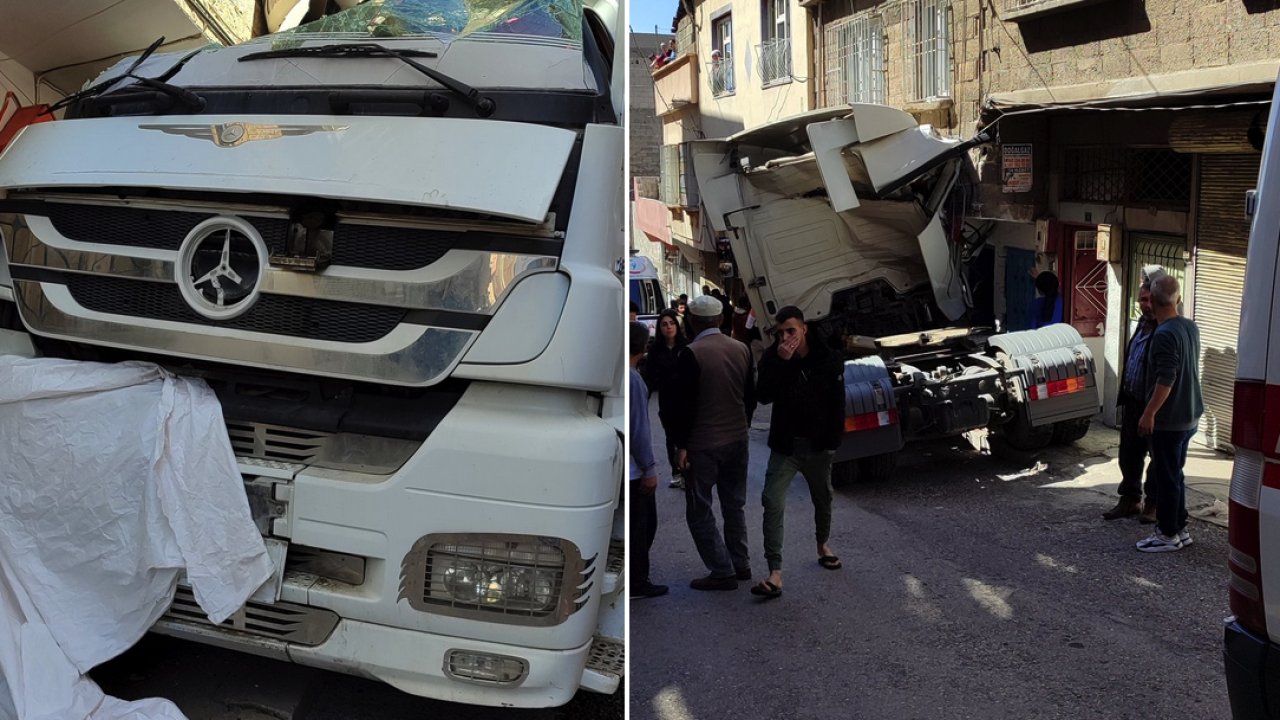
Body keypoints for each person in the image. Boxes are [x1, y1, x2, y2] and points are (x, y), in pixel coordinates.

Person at [750, 306, 845, 600]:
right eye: (780, 333)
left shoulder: (826, 355)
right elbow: (763, 395)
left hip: (818, 445)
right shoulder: (773, 356)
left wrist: (832, 441)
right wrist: (782, 362)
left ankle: (822, 544)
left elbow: (837, 401)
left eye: (791, 330)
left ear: (803, 328)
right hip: (787, 445)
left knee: (823, 497)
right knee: (771, 499)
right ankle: (775, 573)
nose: (786, 337)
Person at [667, 295, 755, 590]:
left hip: (703, 443)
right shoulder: (741, 349)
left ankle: (721, 569)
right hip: (737, 439)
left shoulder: (690, 354)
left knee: (699, 509)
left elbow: (683, 406)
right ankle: (741, 563)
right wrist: (744, 425)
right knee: (734, 505)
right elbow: (750, 396)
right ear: (719, 320)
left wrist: (681, 445)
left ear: (691, 321)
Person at [1135, 274, 1204, 553]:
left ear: (1151, 300)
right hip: (1189, 415)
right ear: (1177, 299)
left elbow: (1167, 378)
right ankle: (1179, 527)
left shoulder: (1163, 335)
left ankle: (1167, 533)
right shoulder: (1190, 326)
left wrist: (1148, 413)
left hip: (1170, 419)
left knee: (1166, 476)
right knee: (1175, 474)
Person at [1103, 273, 1162, 522]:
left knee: (1157, 458)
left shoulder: (1166, 330)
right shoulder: (1141, 324)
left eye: (1150, 300)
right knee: (1128, 454)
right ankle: (1130, 500)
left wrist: (1152, 411)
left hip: (1154, 407)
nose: (1146, 305)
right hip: (1132, 401)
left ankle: (1153, 505)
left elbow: (1167, 377)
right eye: (1142, 300)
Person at [629, 321, 668, 598]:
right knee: (642, 527)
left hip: (626, 466)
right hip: (634, 470)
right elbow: (639, 430)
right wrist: (649, 468)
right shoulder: (634, 380)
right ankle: (637, 581)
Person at [644, 309, 688, 489]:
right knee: (671, 437)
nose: (669, 327)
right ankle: (676, 472)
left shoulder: (686, 348)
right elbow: (650, 376)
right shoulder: (655, 351)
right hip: (667, 400)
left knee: (686, 436)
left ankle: (687, 471)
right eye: (664, 324)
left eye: (671, 323)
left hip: (685, 399)